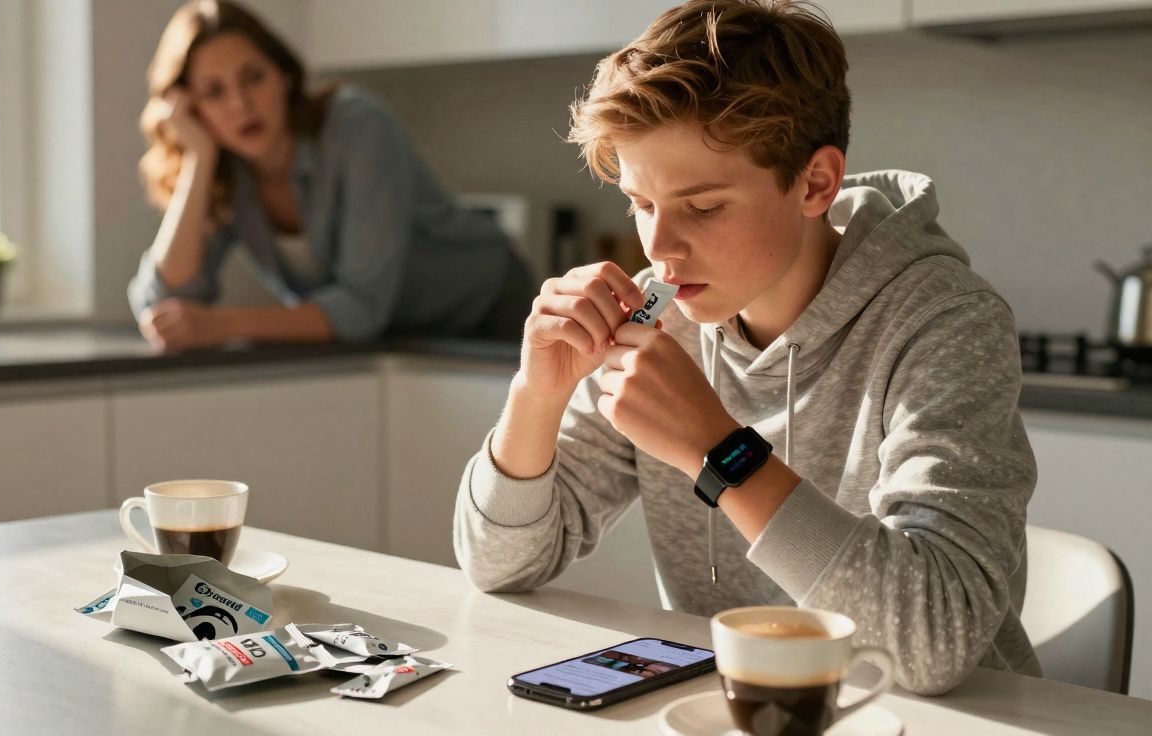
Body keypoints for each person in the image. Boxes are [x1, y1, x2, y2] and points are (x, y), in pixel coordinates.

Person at [453, 0, 1040, 696]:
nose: (660, 248)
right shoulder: (656, 312)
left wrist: (717, 449)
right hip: (736, 708)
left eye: (703, 208)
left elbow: (930, 644)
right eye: (642, 203)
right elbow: (498, 565)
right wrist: (536, 396)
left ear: (815, 183)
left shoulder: (944, 321)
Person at [130, 0, 531, 350]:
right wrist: (199, 160)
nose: (240, 104)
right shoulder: (228, 175)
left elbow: (361, 308)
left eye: (253, 77)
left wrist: (222, 326)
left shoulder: (357, 126)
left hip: (491, 316)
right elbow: (163, 305)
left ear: (284, 76)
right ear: (190, 109)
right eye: (214, 92)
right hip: (393, 339)